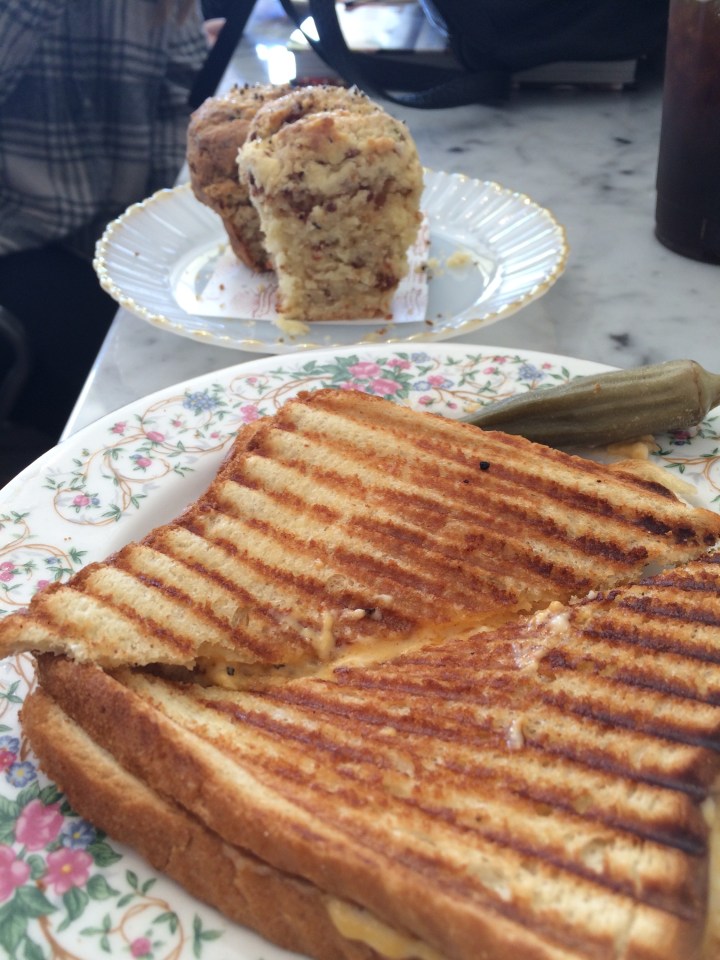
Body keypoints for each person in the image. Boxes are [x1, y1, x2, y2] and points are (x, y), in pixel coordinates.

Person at [0, 0, 209, 478]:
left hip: (115, 231)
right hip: (17, 233)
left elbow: (175, 100)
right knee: (132, 391)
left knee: (184, 359)